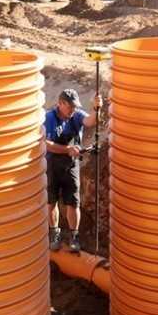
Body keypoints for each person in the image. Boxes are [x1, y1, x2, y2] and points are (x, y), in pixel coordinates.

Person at [44, 89, 102, 253]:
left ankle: (74, 236)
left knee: (73, 202)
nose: (73, 110)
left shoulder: (76, 116)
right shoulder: (49, 118)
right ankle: (54, 234)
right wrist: (68, 149)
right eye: (70, 106)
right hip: (52, 165)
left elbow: (90, 122)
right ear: (61, 104)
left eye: (75, 107)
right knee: (51, 201)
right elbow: (46, 143)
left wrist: (96, 109)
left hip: (71, 165)